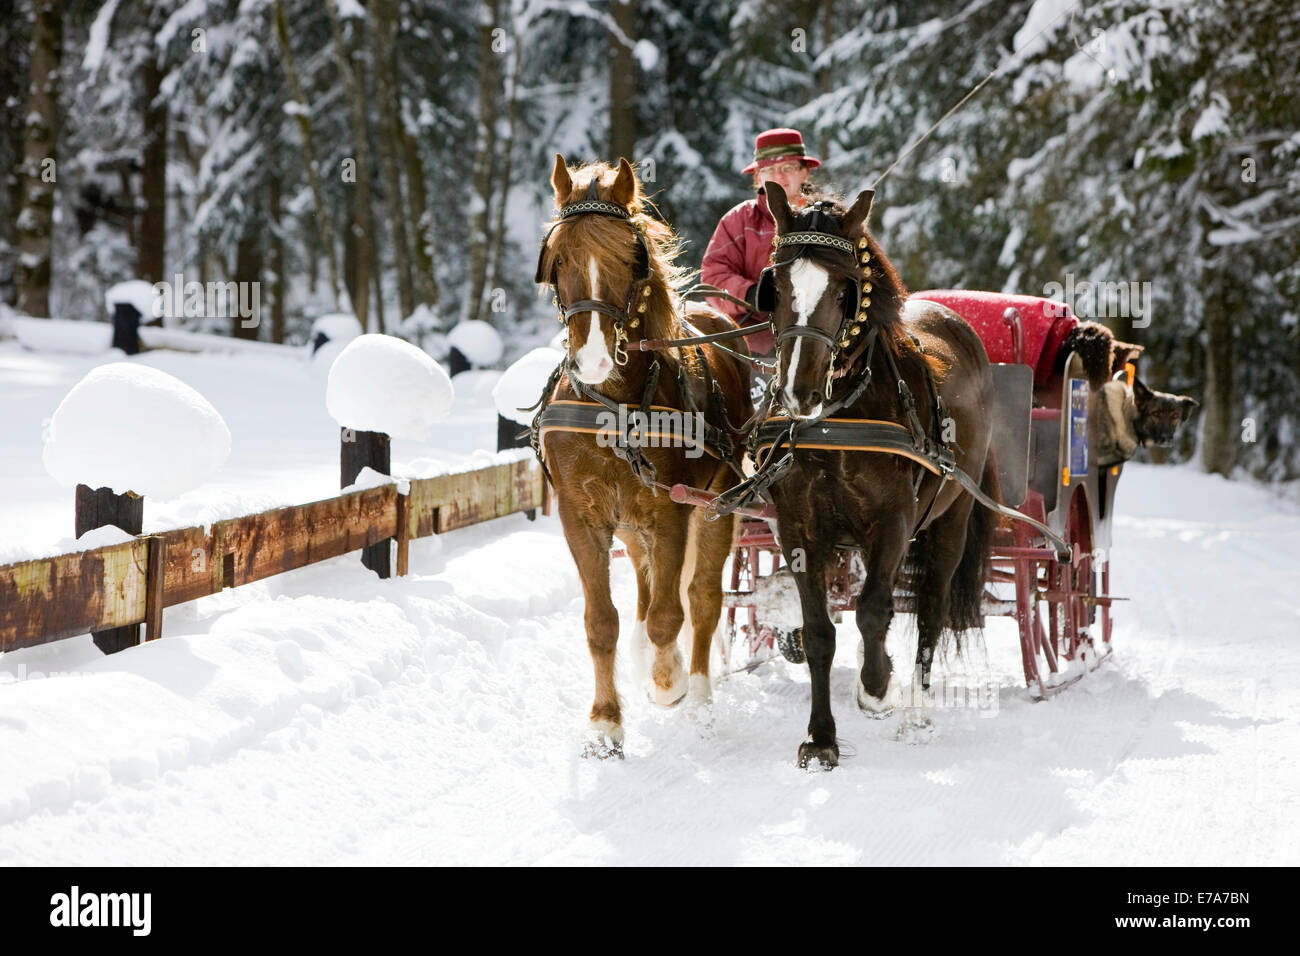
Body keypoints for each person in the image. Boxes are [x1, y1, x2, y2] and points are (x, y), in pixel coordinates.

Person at [700, 128, 821, 356]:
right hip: (750, 345)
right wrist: (751, 293)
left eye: (788, 168)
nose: (779, 177)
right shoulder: (738, 220)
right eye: (770, 170)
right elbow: (712, 277)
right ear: (758, 177)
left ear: (804, 173)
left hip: (816, 341)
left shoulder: (824, 221)